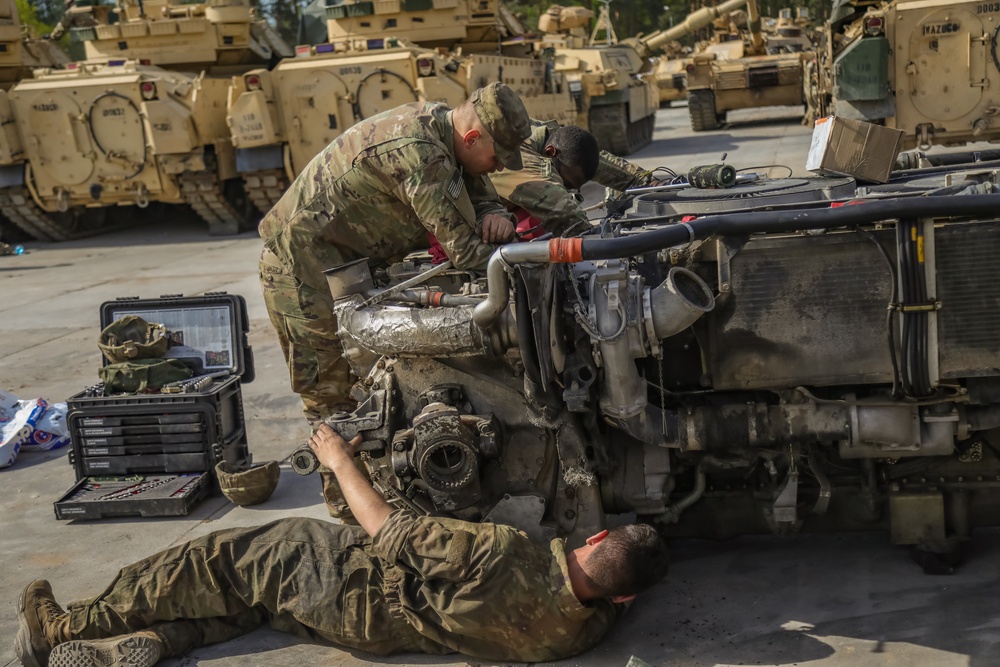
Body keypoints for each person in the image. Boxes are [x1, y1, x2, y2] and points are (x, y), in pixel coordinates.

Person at [15, 424, 671, 667]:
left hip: (348, 581)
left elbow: (386, 527)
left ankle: (64, 625)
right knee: (259, 606)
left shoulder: (505, 552)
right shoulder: (581, 633)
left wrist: (336, 459)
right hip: (382, 634)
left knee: (215, 560)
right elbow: (609, 592)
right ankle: (161, 642)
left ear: (597, 534)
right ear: (628, 593)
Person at [258, 83, 531, 522]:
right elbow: (464, 251)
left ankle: (378, 493)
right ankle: (349, 512)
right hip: (301, 268)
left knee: (373, 383)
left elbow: (479, 193)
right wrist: (528, 258)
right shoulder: (420, 152)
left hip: (348, 264)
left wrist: (496, 215)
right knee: (332, 392)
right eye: (497, 157)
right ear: (474, 136)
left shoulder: (447, 131)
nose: (499, 167)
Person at [489, 120, 661, 238]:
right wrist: (590, 237)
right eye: (566, 184)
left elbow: (584, 155)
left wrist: (643, 181)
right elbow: (561, 208)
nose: (564, 188)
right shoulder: (521, 157)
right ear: (549, 153)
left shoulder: (549, 139)